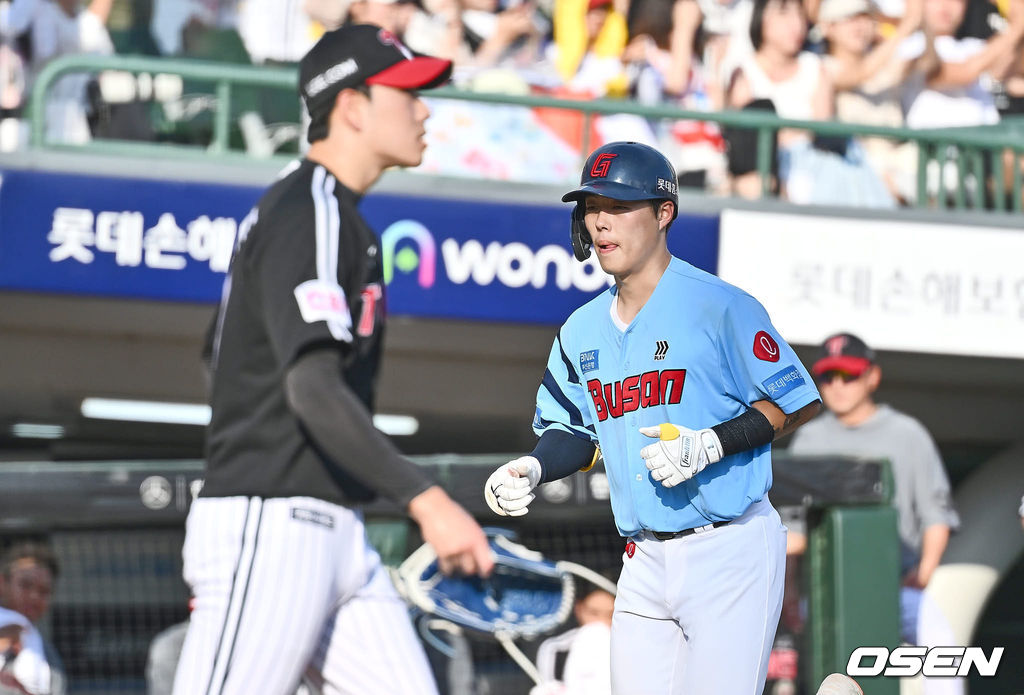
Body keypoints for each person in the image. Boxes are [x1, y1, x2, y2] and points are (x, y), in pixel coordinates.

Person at [172, 24, 494, 695]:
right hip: (273, 518)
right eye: (407, 92)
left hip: (332, 528)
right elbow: (311, 386)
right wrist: (426, 497)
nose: (425, 108)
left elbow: (217, 354)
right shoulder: (308, 206)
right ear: (351, 106)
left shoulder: (331, 216)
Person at [483, 140, 822, 695]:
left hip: (729, 545)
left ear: (664, 213)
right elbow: (572, 429)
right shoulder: (579, 330)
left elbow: (797, 399)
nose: (600, 224)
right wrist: (531, 467)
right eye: (592, 208)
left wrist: (712, 443)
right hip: (642, 557)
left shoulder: (720, 305)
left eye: (619, 208)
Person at [787, 332, 962, 695]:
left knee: (942, 642)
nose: (838, 386)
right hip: (824, 589)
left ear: (872, 377)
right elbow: (792, 530)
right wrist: (788, 590)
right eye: (829, 377)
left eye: (848, 376)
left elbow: (936, 514)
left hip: (896, 586)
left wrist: (925, 572)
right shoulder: (809, 439)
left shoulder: (907, 434)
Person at [0, 543, 64, 695]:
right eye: (25, 585)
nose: (34, 597)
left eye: (44, 591)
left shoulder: (48, 656)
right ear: (2, 583)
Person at [532, 586, 615, 695]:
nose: (601, 621)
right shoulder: (558, 648)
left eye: (609, 615)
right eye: (594, 613)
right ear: (579, 609)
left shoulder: (625, 648)